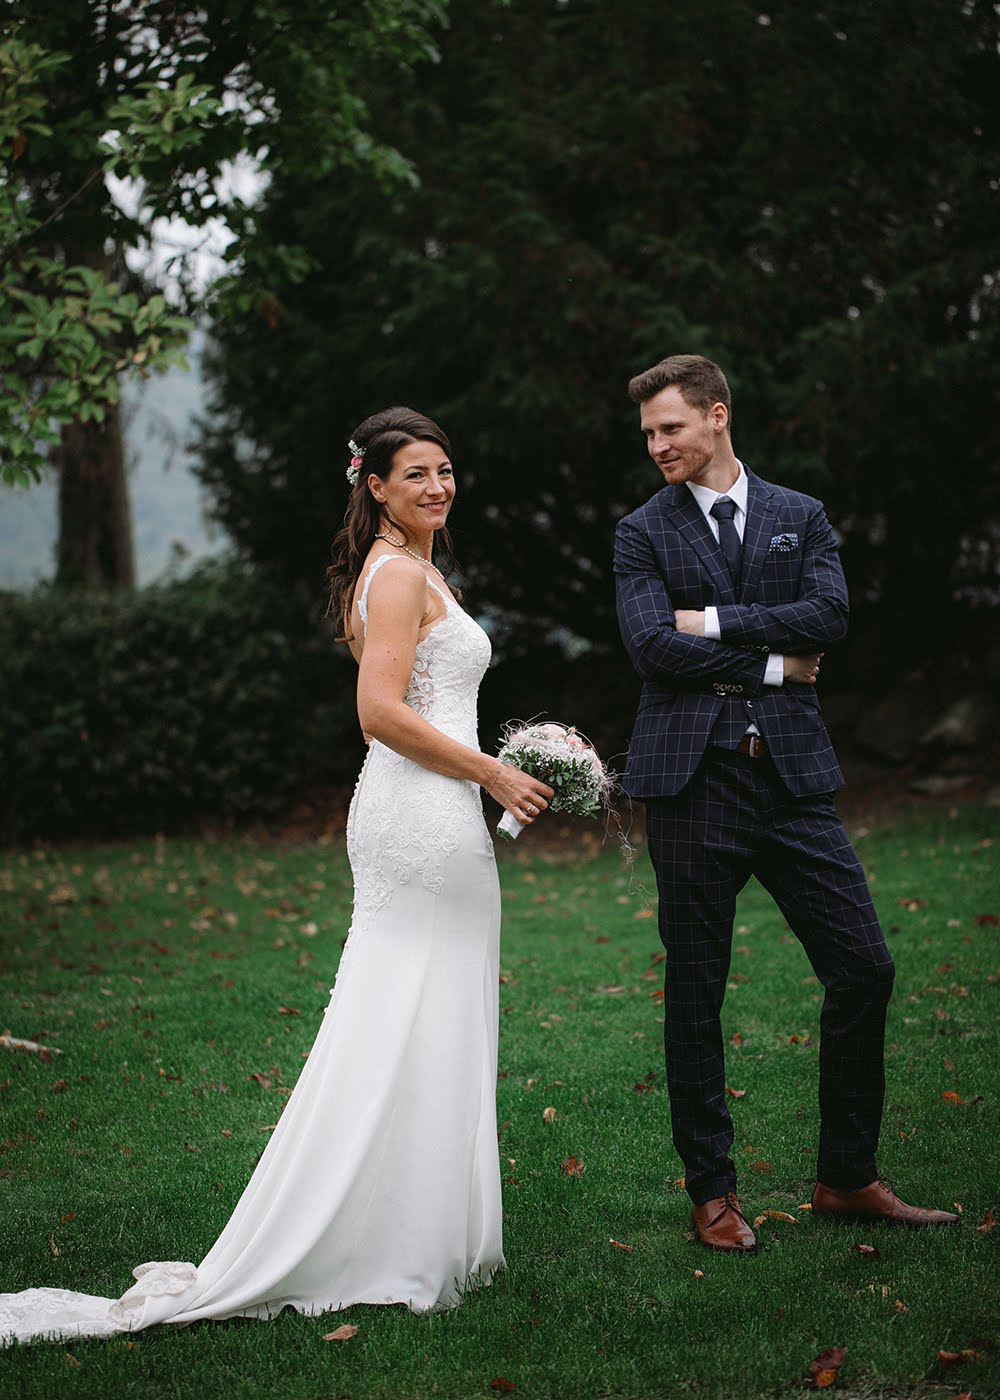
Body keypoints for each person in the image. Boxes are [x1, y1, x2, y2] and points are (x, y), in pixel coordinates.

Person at [0, 405, 552, 1345]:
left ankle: (412, 1224)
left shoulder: (418, 569)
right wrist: (493, 770)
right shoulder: (392, 578)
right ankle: (363, 1236)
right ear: (373, 485)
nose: (438, 486)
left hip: (434, 811)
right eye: (415, 473)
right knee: (397, 1011)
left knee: (434, 1011)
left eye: (446, 469)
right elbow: (378, 711)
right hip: (418, 815)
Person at [614, 355, 958, 1253]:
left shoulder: (797, 515)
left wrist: (717, 621)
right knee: (696, 994)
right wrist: (771, 659)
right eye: (648, 433)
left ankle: (846, 1176)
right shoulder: (640, 533)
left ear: (717, 415)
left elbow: (831, 616)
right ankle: (713, 1195)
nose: (657, 446)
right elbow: (651, 646)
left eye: (671, 428)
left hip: (793, 780)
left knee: (865, 968)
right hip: (691, 784)